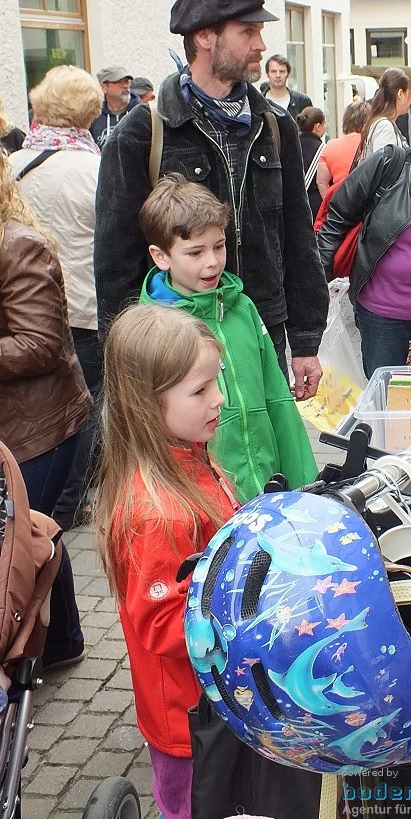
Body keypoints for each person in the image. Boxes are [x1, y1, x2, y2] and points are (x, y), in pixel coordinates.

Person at [94, 0, 328, 401]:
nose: (261, 44)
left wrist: (307, 340)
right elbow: (116, 263)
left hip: (261, 335)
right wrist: (127, 368)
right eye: (248, 31)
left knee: (264, 463)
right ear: (204, 37)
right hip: (178, 344)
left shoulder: (275, 128)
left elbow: (297, 235)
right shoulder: (141, 134)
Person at [95, 303, 241, 819]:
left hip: (213, 700)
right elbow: (161, 622)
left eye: (214, 383)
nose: (217, 399)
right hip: (186, 718)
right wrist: (247, 616)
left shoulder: (193, 456)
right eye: (199, 391)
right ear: (145, 404)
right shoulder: (155, 512)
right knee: (190, 805)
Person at [138, 174, 316, 500]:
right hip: (201, 499)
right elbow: (143, 428)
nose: (212, 262)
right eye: (194, 253)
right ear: (161, 256)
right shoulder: (154, 330)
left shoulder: (243, 308)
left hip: (265, 485)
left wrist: (304, 481)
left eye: (219, 246)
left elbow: (277, 398)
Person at [0, 148, 90, 666]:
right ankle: (62, 643)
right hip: (16, 423)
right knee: (38, 532)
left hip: (40, 426)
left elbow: (40, 343)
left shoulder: (18, 246)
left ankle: (40, 647)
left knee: (24, 534)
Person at [8, 65, 104, 531]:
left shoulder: (15, 162)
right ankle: (69, 503)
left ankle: (53, 507)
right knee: (81, 407)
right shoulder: (94, 167)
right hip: (83, 303)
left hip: (25, 309)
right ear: (89, 111)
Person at [318, 112, 411, 376]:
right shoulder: (392, 163)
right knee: (383, 398)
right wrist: (317, 282)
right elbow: (338, 214)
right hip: (380, 311)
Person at [316, 99, 368, 199]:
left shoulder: (331, 145)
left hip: (341, 201)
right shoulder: (370, 143)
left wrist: (331, 203)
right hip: (366, 201)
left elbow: (321, 182)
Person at [360, 68, 411, 158]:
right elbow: (384, 168)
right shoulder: (385, 127)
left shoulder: (382, 123)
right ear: (400, 94)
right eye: (410, 94)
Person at [90, 66, 138, 146]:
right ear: (104, 87)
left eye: (127, 81)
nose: (125, 86)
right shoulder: (93, 115)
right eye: (119, 82)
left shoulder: (140, 113)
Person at [296, 106, 327, 219]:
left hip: (294, 205)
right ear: (317, 126)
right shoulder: (323, 150)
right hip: (315, 207)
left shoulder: (292, 146)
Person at [260, 54, 313, 119]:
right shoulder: (259, 102)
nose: (278, 75)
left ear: (288, 74)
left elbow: (311, 127)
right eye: (273, 71)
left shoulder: (302, 101)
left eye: (282, 71)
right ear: (267, 74)